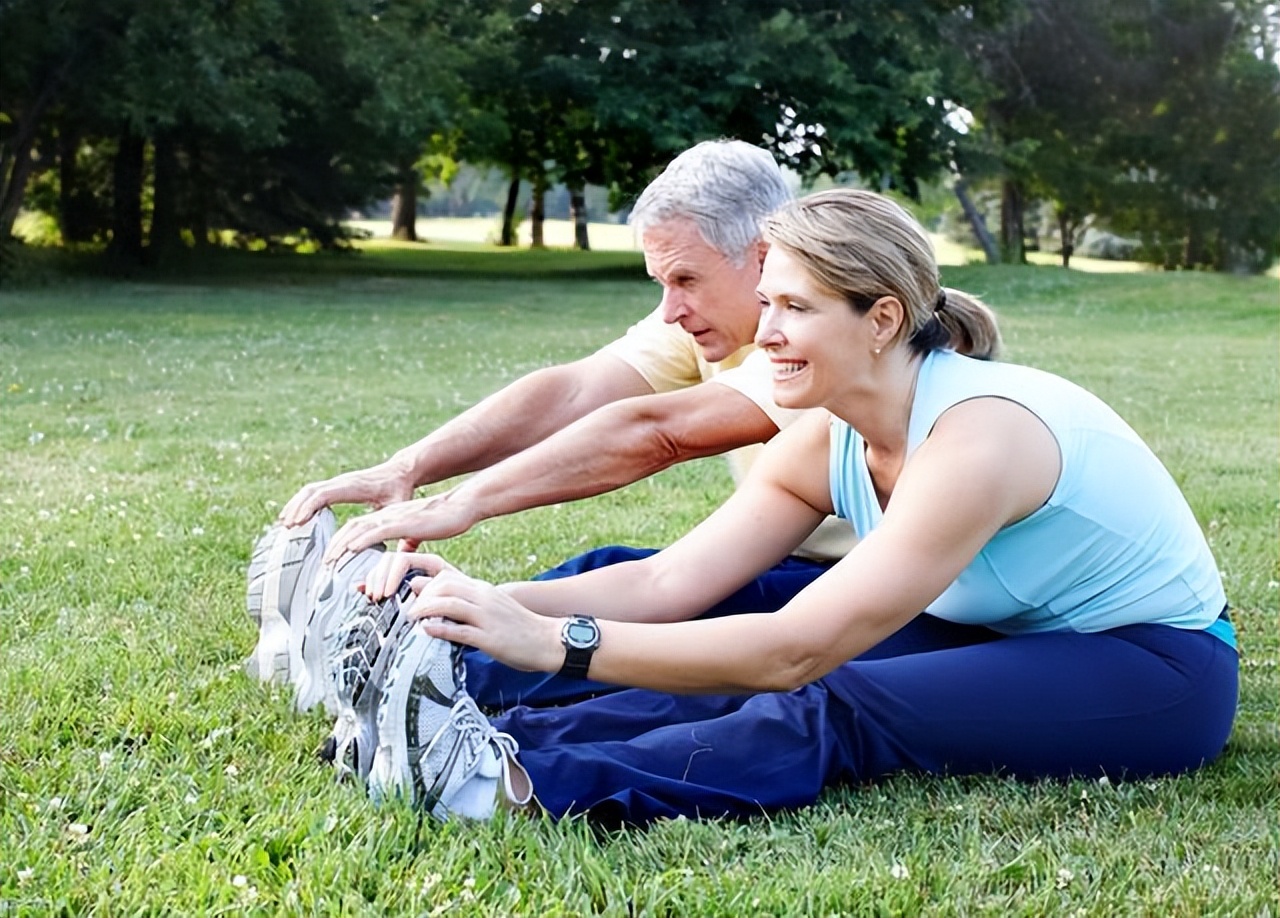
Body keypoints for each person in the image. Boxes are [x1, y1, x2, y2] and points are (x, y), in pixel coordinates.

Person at [357, 188, 1238, 826]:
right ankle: (479, 734)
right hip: (1004, 631)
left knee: (836, 697)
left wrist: (559, 641)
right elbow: (669, 584)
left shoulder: (981, 436)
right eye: (766, 302)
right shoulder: (829, 434)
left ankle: (506, 786)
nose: (767, 332)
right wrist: (477, 607)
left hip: (1152, 667)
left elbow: (792, 652)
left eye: (795, 308)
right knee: (722, 643)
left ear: (882, 319)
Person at [260, 140, 857, 709]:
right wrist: (409, 468)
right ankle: (394, 652)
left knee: (682, 645)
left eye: (686, 280)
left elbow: (660, 434)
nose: (671, 310)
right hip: (778, 555)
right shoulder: (709, 318)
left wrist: (463, 503)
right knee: (602, 572)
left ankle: (418, 672)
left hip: (859, 582)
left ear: (763, 254)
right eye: (662, 284)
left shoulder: (825, 331)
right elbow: (575, 391)